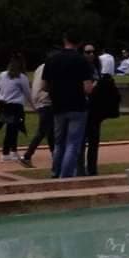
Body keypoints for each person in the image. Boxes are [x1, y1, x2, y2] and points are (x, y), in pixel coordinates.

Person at [44, 32, 95, 178]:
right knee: (73, 143)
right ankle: (65, 176)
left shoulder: (52, 59)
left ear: (64, 40)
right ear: (79, 43)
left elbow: (45, 86)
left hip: (58, 105)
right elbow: (88, 88)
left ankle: (55, 171)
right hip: (78, 105)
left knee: (59, 142)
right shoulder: (82, 61)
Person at [80, 43, 122, 176]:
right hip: (82, 108)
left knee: (93, 141)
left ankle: (92, 169)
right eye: (87, 52)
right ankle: (80, 169)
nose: (91, 54)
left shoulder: (96, 68)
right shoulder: (80, 67)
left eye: (93, 52)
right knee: (80, 142)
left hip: (94, 110)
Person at [0, 54, 31, 162]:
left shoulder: (2, 75)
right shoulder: (22, 77)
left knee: (12, 129)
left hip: (3, 105)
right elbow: (27, 93)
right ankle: (7, 153)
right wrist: (34, 105)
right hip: (15, 106)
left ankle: (12, 152)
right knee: (13, 129)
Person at [20, 61, 54, 168]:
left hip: (39, 101)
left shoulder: (40, 67)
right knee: (43, 131)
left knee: (50, 131)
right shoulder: (51, 66)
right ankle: (27, 156)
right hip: (46, 101)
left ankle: (56, 156)